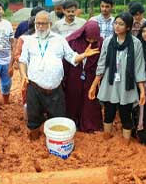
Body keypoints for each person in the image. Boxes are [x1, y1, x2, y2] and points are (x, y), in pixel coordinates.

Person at [19, 11, 99, 140]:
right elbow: (23, 60)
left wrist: (83, 55)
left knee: (57, 118)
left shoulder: (59, 40)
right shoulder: (29, 41)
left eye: (43, 24)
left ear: (50, 24)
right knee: (33, 119)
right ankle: (34, 146)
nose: (40, 27)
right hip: (34, 88)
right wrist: (23, 75)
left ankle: (54, 144)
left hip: (55, 89)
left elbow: (71, 57)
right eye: (37, 23)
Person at [89, 12, 146, 144]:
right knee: (108, 113)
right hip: (110, 84)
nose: (117, 26)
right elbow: (101, 64)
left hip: (126, 85)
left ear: (128, 27)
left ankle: (126, 143)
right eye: (115, 23)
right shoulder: (108, 41)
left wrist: (142, 91)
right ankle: (106, 139)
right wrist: (94, 85)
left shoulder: (136, 43)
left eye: (121, 24)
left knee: (126, 114)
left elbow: (139, 68)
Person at [63, 20, 103, 133]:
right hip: (74, 75)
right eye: (88, 39)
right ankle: (72, 123)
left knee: (90, 101)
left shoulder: (101, 43)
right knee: (72, 99)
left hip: (91, 76)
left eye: (94, 39)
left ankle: (89, 125)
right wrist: (64, 78)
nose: (91, 42)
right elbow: (66, 60)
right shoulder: (73, 41)